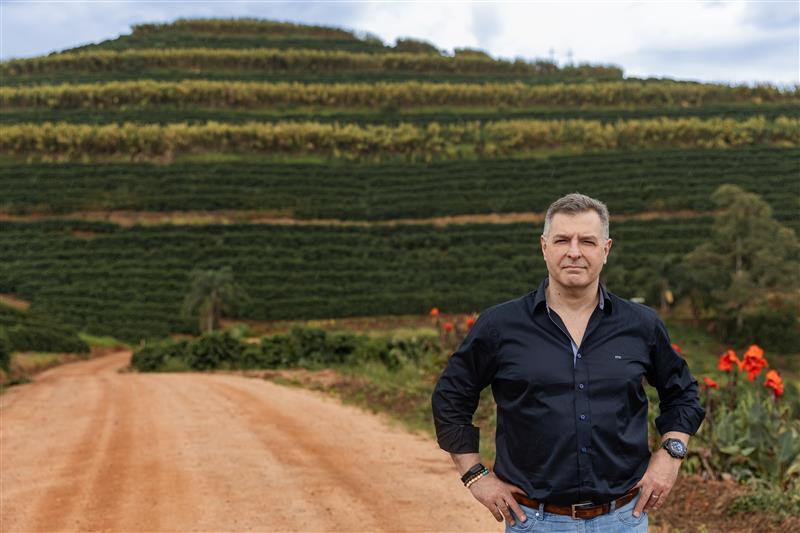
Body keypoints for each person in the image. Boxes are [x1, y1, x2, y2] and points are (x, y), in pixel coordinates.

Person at [431, 193, 705, 532]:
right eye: (562, 240)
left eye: (587, 241)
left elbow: (683, 394)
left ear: (605, 250)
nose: (574, 251)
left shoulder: (641, 325)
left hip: (623, 520)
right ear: (544, 246)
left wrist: (671, 455)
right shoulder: (500, 326)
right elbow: (451, 396)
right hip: (533, 521)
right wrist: (475, 475)